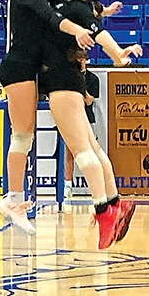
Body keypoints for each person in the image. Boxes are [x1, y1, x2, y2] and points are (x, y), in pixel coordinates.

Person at [0, 0, 136, 250]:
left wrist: (113, 47)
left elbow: (70, 13)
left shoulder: (55, 0)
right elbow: (56, 15)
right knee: (25, 137)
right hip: (23, 70)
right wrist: (91, 27)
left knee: (77, 147)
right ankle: (16, 199)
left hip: (54, 78)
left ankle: (106, 208)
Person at [63, 51, 99, 201]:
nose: (81, 62)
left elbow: (88, 100)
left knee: (91, 152)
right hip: (70, 118)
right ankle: (67, 186)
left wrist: (80, 84)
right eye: (78, 59)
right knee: (69, 152)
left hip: (87, 118)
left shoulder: (92, 79)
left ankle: (95, 187)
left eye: (83, 59)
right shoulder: (68, 76)